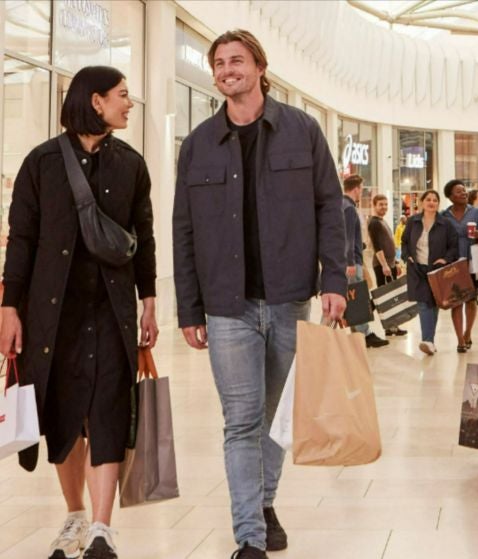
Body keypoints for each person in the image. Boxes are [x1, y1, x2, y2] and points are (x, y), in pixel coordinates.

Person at [172, 30, 347, 559]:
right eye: (219, 62)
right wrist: (189, 306)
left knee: (276, 417)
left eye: (237, 60)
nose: (227, 69)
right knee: (241, 419)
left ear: (259, 66)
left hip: (289, 296)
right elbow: (183, 228)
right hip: (228, 306)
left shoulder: (302, 130)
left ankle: (265, 501)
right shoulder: (199, 143)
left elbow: (329, 208)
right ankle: (249, 533)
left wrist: (334, 280)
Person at [0, 66, 158, 559]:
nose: (129, 105)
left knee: (108, 410)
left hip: (111, 312)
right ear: (95, 102)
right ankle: (74, 514)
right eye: (122, 96)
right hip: (53, 313)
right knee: (64, 414)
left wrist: (149, 300)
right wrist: (9, 307)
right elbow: (21, 242)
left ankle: (101, 528)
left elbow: (144, 239)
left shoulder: (130, 164)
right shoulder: (41, 163)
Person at [401, 190, 459, 355]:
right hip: (417, 269)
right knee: (423, 303)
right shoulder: (413, 221)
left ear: (438, 204)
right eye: (428, 199)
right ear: (422, 202)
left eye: (435, 200)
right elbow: (404, 241)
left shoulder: (446, 224)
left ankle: (429, 341)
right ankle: (427, 340)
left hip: (437, 270)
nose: (431, 202)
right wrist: (408, 257)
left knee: (434, 304)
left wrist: (445, 260)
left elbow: (453, 245)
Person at [342, 175, 389, 348]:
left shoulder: (345, 206)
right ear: (357, 188)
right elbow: (346, 238)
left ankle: (361, 334)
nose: (361, 191)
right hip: (353, 261)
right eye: (361, 188)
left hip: (354, 258)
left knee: (356, 298)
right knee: (358, 299)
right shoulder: (348, 208)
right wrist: (350, 262)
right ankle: (364, 334)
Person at [440, 179, 478, 353]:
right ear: (450, 197)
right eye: (459, 191)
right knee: (456, 303)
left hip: (473, 262)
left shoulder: (477, 214)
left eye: (465, 190)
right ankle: (460, 340)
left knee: (471, 300)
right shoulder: (444, 216)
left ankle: (468, 333)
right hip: (453, 264)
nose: (464, 193)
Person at [368, 194, 407, 336]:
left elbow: (388, 243)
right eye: (381, 204)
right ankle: (361, 318)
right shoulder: (374, 223)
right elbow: (377, 247)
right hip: (382, 266)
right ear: (374, 205)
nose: (384, 207)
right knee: (383, 297)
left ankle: (392, 326)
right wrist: (384, 265)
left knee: (389, 296)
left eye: (386, 204)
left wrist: (394, 262)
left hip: (389, 264)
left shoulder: (382, 221)